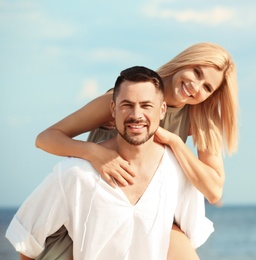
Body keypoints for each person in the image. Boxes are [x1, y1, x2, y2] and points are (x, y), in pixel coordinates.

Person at [35, 42, 238, 258]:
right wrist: (95, 153)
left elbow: (214, 189)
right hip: (92, 215)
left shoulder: (200, 119)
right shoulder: (128, 100)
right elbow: (46, 138)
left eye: (207, 87)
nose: (196, 87)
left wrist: (174, 142)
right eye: (197, 72)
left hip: (145, 217)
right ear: (184, 62)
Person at [6, 66, 213, 260]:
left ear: (162, 110)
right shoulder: (75, 173)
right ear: (113, 109)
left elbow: (188, 243)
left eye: (146, 105)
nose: (136, 115)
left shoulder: (179, 174)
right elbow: (26, 242)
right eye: (127, 105)